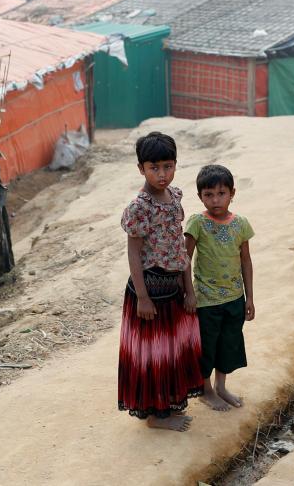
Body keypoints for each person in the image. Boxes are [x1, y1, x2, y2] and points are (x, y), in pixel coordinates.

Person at [117, 131, 204, 431]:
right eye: (154, 168)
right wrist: (142, 297)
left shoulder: (175, 196)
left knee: (172, 351)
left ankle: (167, 407)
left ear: (175, 165)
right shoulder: (140, 208)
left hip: (173, 289)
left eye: (168, 166)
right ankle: (155, 416)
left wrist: (188, 290)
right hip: (150, 291)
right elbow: (133, 252)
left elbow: (180, 249)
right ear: (141, 168)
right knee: (153, 355)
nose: (162, 174)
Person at [184, 164, 254, 411]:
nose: (215, 200)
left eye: (221, 193)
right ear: (200, 196)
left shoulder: (241, 224)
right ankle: (206, 390)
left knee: (228, 343)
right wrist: (189, 293)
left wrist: (249, 298)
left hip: (235, 297)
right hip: (206, 300)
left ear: (232, 193)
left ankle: (221, 386)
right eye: (208, 194)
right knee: (207, 346)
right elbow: (185, 259)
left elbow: (246, 260)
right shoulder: (197, 223)